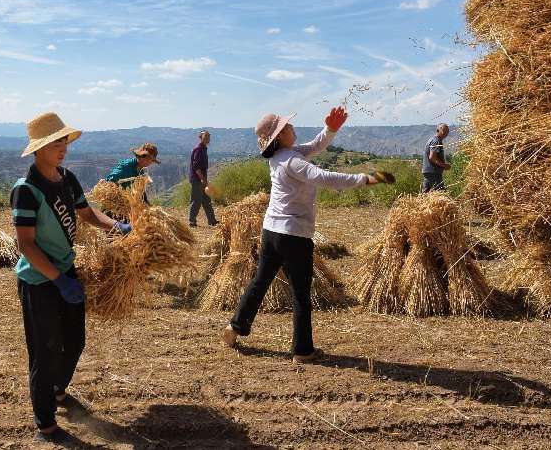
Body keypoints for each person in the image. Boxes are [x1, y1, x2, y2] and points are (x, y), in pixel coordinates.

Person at [221, 107, 392, 363]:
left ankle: (235, 327)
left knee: (260, 282)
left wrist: (331, 129)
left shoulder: (281, 156)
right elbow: (323, 177)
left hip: (271, 232)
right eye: (287, 128)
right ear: (278, 138)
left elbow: (315, 145)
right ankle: (302, 351)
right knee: (301, 293)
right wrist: (368, 179)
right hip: (293, 236)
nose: (292, 129)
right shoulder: (292, 161)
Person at [11, 112, 131, 445]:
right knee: (44, 351)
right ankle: (46, 422)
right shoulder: (26, 190)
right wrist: (58, 280)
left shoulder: (68, 178)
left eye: (64, 141)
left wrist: (116, 226)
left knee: (74, 341)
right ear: (38, 149)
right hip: (38, 281)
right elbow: (26, 244)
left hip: (66, 272)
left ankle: (57, 389)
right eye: (55, 142)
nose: (62, 148)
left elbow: (87, 213)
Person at [188, 130, 217, 227]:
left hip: (202, 178)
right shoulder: (198, 149)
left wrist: (204, 179)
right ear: (200, 137)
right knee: (196, 200)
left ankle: (212, 221)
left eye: (209, 136)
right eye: (206, 136)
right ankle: (192, 221)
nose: (208, 138)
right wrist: (202, 178)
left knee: (206, 200)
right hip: (197, 179)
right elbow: (196, 166)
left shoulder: (204, 148)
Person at [422, 123, 450, 193]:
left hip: (428, 171)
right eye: (444, 131)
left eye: (447, 131)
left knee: (425, 194)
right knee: (441, 194)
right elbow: (432, 157)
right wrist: (444, 165)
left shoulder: (433, 140)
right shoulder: (436, 141)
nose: (446, 133)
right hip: (433, 172)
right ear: (438, 130)